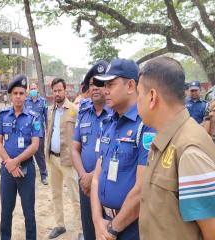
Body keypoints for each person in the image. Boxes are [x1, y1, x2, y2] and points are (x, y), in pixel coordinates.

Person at [137, 56, 215, 240]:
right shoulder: (166, 140)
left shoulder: (189, 150)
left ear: (152, 97)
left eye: (139, 94)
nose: (136, 101)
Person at [91, 58, 155, 240]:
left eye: (110, 84)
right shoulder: (108, 123)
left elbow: (142, 188)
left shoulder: (146, 126)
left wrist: (112, 230)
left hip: (132, 227)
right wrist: (97, 221)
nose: (105, 90)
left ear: (130, 86)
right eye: (104, 85)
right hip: (105, 221)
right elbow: (96, 177)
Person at [0, 74, 42, 240]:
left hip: (26, 170)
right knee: (6, 212)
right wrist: (10, 164)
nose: (18, 96)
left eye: (22, 93)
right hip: (7, 170)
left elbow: (35, 145)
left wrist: (16, 162)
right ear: (10, 95)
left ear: (26, 94)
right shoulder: (2, 115)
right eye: (15, 93)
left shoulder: (34, 117)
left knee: (29, 212)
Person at [72, 60, 110, 240]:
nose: (95, 88)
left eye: (100, 83)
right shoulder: (83, 112)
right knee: (88, 228)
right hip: (85, 185)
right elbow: (74, 148)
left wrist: (92, 177)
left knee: (109, 230)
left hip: (108, 183)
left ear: (108, 86)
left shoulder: (116, 114)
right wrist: (83, 176)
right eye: (92, 84)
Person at [46, 78, 80, 239]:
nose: (57, 93)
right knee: (56, 194)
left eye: (60, 90)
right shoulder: (50, 110)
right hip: (52, 159)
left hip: (68, 160)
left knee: (75, 196)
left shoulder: (74, 110)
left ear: (65, 91)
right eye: (55, 90)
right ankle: (59, 225)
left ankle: (81, 229)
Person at [24, 82, 49, 185]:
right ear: (29, 90)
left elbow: (47, 117)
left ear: (37, 89)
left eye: (35, 88)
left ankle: (44, 175)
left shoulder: (43, 102)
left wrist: (48, 130)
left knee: (40, 154)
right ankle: (27, 173)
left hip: (39, 132)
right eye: (31, 88)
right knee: (26, 152)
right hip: (27, 132)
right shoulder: (25, 101)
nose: (33, 90)